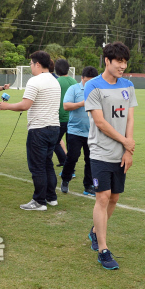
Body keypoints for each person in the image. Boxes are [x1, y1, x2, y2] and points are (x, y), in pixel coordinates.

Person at [85, 42, 137, 270]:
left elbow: (130, 119)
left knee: (114, 198)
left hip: (121, 153)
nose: (122, 66)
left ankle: (95, 231)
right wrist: (125, 141)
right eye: (119, 61)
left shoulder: (128, 85)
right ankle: (103, 249)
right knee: (103, 197)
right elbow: (100, 122)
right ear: (107, 61)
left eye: (125, 62)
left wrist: (128, 149)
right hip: (99, 151)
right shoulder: (93, 86)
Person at [0, 51, 60, 211]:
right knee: (47, 163)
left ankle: (39, 201)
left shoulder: (35, 81)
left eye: (32, 64)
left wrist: (6, 106)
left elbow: (25, 105)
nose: (31, 67)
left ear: (37, 64)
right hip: (54, 128)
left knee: (37, 166)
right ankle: (51, 197)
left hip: (39, 129)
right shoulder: (55, 81)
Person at [60, 66, 99, 196]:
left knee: (91, 160)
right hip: (75, 131)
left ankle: (88, 185)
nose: (89, 85)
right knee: (72, 157)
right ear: (81, 78)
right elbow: (66, 106)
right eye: (87, 81)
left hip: (93, 132)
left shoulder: (98, 90)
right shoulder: (74, 89)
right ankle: (65, 180)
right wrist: (82, 103)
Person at [53, 59, 77, 167]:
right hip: (73, 118)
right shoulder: (74, 82)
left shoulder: (56, 82)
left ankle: (64, 162)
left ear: (56, 69)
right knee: (71, 145)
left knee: (54, 142)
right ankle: (69, 167)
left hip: (61, 118)